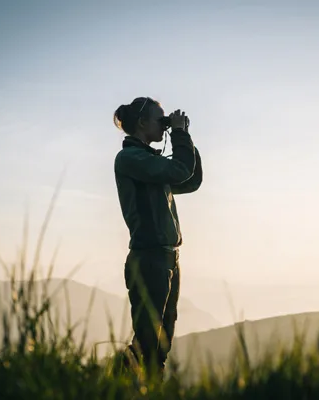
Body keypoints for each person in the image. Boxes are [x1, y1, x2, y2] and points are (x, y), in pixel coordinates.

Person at [112, 97, 202, 379]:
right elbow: (179, 170)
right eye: (160, 120)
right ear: (141, 123)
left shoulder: (148, 162)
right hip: (150, 258)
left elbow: (189, 180)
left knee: (161, 341)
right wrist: (179, 134)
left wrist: (185, 136)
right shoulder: (130, 159)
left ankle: (147, 388)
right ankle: (116, 384)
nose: (164, 126)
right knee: (148, 340)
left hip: (167, 258)